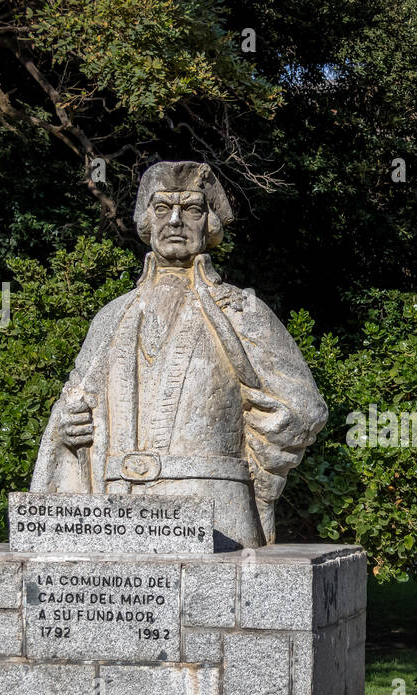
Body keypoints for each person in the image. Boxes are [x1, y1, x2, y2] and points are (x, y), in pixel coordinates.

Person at [32, 161, 328, 549]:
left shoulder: (241, 310)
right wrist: (66, 425)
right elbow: (73, 403)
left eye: (191, 209)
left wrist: (258, 463)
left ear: (209, 224)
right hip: (114, 512)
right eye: (161, 208)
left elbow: (305, 410)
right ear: (147, 223)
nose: (175, 220)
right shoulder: (111, 317)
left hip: (214, 509)